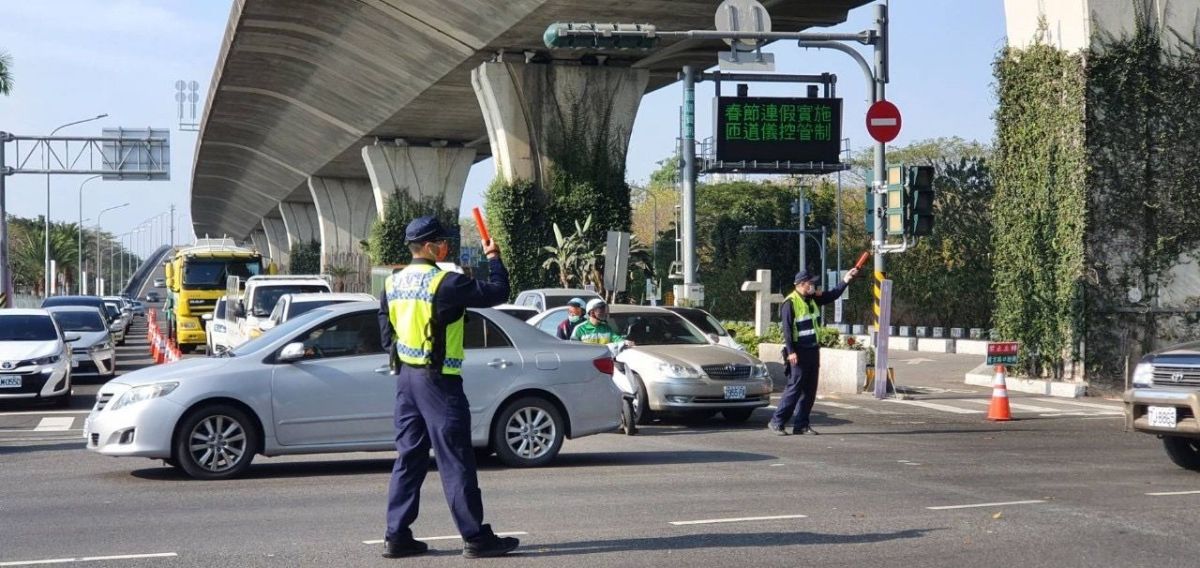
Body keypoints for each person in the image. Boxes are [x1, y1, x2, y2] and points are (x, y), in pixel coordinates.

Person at [377, 215, 519, 559]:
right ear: (428, 246)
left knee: (408, 457)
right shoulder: (446, 283)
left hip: (407, 380)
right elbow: (499, 292)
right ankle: (475, 537)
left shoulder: (392, 283)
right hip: (439, 382)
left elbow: (385, 333)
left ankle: (396, 536)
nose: (446, 246)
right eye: (442, 241)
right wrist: (494, 258)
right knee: (455, 459)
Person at [768, 268, 858, 436]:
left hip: (812, 350)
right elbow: (786, 330)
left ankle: (801, 424)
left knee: (810, 390)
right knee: (794, 388)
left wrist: (846, 280)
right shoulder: (790, 302)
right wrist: (791, 352)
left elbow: (833, 295)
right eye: (811, 283)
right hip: (798, 351)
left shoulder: (812, 299)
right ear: (802, 284)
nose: (814, 286)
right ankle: (777, 421)